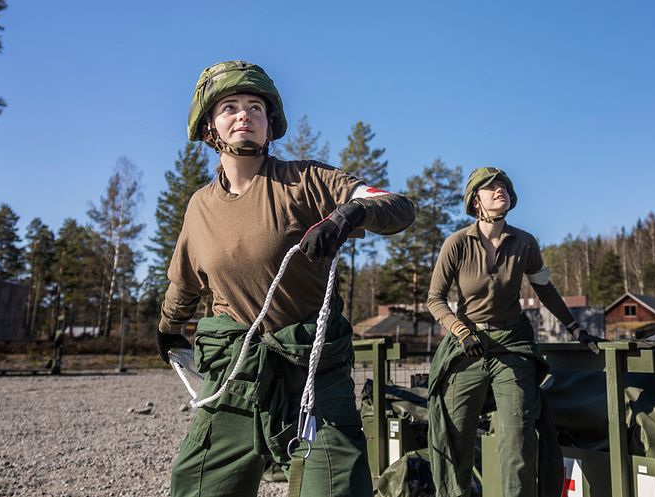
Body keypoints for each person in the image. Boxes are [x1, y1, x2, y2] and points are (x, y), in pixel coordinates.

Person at [156, 60, 415, 497]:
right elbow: (185, 282)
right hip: (237, 372)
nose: (244, 115)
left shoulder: (307, 180)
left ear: (269, 123)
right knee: (198, 485)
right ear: (208, 129)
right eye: (230, 107)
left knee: (336, 488)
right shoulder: (200, 206)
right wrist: (167, 328)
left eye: (255, 107)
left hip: (312, 371)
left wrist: (352, 213)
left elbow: (396, 204)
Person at [426, 167, 600, 497]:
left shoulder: (524, 243)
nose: (499, 190)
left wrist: (575, 327)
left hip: (512, 346)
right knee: (454, 435)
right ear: (475, 200)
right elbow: (435, 299)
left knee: (518, 437)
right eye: (489, 187)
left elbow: (545, 290)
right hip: (468, 346)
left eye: (503, 185)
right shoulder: (457, 244)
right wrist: (461, 330)